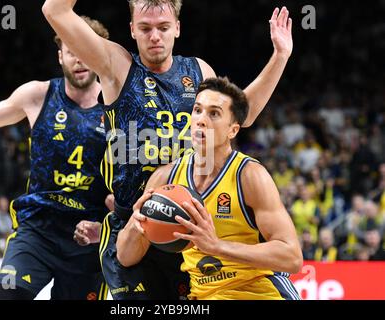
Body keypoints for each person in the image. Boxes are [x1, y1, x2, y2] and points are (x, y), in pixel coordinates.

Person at [44, 0, 293, 299]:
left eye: (163, 28)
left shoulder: (198, 70)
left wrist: (280, 56)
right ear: (132, 30)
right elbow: (55, 11)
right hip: (134, 221)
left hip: (185, 227)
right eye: (145, 28)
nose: (154, 36)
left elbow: (241, 114)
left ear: (177, 28)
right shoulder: (116, 65)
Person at [0, 16, 111, 300]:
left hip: (88, 236)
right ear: (60, 56)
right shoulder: (38, 95)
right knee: (8, 294)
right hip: (37, 229)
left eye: (85, 50)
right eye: (71, 51)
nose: (79, 59)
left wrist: (108, 223)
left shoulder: (118, 107)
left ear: (99, 52)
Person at [118, 77, 303, 300]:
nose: (201, 120)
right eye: (197, 110)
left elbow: (291, 257)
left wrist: (217, 246)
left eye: (214, 113)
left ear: (232, 130)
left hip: (260, 292)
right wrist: (136, 224)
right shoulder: (165, 178)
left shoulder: (249, 175)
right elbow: (126, 257)